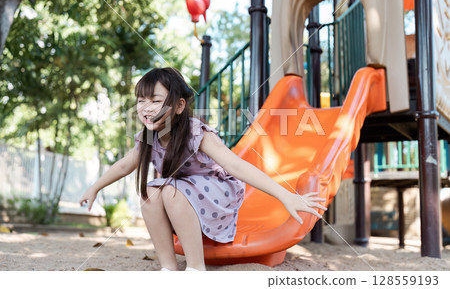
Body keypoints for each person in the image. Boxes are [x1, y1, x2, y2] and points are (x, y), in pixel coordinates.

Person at [79, 67, 327, 271]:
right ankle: (169, 267)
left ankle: (196, 269)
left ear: (178, 106)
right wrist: (95, 187)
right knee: (149, 192)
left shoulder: (196, 132)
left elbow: (235, 164)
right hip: (183, 195)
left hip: (217, 194)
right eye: (141, 100)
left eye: (155, 100)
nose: (146, 107)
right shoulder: (148, 137)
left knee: (169, 191)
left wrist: (285, 195)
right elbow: (124, 165)